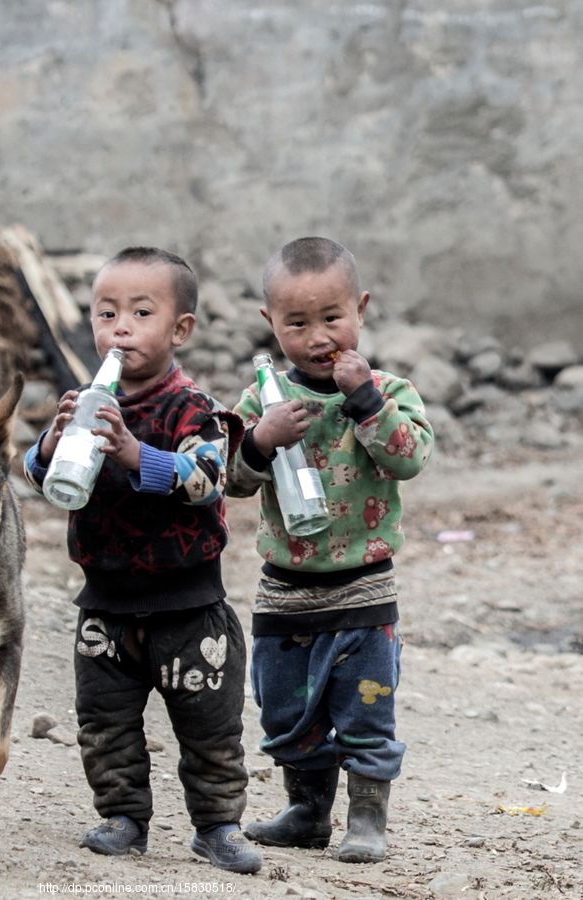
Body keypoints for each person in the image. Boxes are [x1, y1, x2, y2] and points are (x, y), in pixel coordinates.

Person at [24, 246, 262, 875]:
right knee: (104, 722)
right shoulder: (88, 402)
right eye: (106, 314)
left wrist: (135, 454)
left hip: (188, 607)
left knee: (210, 728)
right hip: (105, 603)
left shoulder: (193, 407)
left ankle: (217, 826)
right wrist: (53, 442)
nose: (120, 328)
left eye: (140, 313)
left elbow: (208, 477)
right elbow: (37, 475)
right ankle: (123, 816)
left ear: (180, 329)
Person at [227, 237, 434, 863]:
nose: (318, 337)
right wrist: (261, 440)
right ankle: (307, 810)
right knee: (285, 708)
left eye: (332, 318)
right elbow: (232, 481)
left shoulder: (389, 389)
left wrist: (366, 400)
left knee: (367, 706)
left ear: (361, 309)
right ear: (270, 323)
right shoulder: (262, 400)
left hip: (364, 587)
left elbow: (411, 458)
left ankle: (368, 816)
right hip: (285, 587)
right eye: (297, 323)